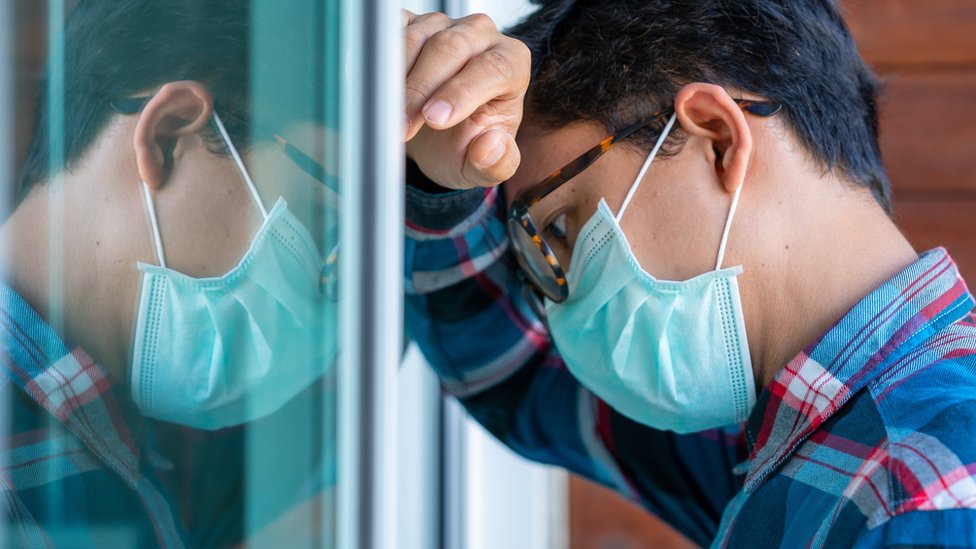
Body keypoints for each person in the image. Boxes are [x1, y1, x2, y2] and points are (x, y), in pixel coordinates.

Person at [403, 1, 976, 546]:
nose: (562, 306)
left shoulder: (924, 496)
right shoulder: (805, 451)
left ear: (718, 137)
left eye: (557, 229)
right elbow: (517, 372)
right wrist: (439, 177)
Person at [0, 0, 337, 546]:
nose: (331, 312)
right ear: (166, 134)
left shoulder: (118, 442)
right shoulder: (20, 475)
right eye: (321, 227)